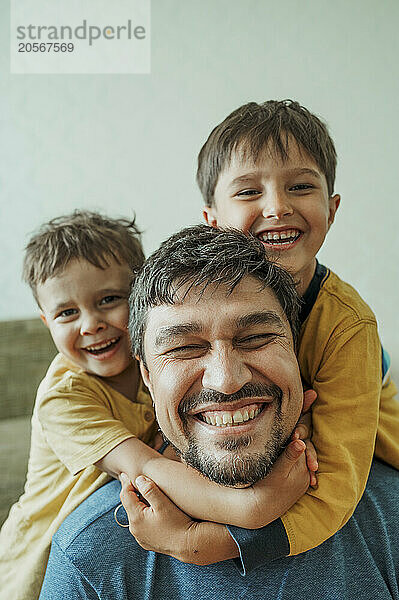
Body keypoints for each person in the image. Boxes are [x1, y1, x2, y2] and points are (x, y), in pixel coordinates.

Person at [40, 226, 399, 599]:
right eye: (183, 348)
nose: (226, 380)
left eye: (256, 338)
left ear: (299, 355)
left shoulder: (389, 516)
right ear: (146, 376)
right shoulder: (89, 561)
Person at [0, 212, 314, 600]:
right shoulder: (63, 398)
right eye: (67, 313)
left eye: (108, 300)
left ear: (137, 301)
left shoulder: (163, 367)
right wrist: (253, 507)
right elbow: (146, 467)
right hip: (37, 566)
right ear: (46, 321)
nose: (90, 324)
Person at [197, 100, 399, 556]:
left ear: (332, 208)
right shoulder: (199, 304)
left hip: (372, 438)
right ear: (211, 220)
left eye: (301, 186)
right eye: (249, 192)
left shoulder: (348, 325)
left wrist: (227, 544)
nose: (277, 207)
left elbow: (339, 481)